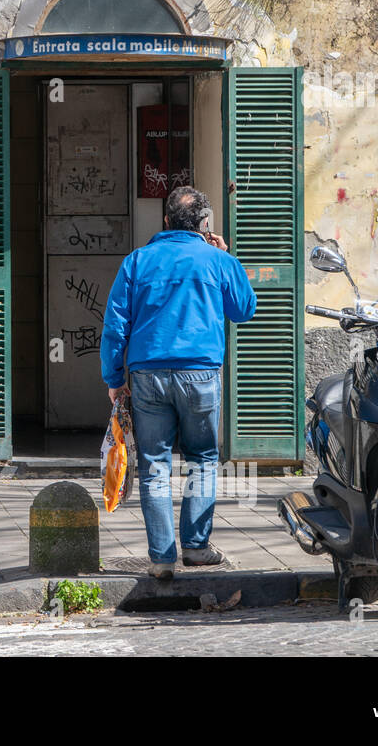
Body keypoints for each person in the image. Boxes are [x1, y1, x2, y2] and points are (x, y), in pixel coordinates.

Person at [99, 186, 256, 580]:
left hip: (147, 375)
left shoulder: (137, 262)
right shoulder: (215, 260)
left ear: (166, 221)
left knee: (154, 465)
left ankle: (162, 558)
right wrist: (226, 255)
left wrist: (114, 380)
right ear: (205, 225)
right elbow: (244, 309)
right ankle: (197, 548)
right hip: (200, 374)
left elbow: (115, 326)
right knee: (202, 458)